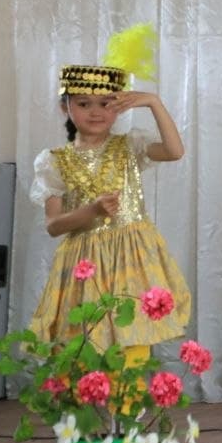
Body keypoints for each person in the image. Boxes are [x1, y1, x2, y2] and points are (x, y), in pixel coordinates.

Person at [30, 24, 190, 362]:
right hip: (83, 262)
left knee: (131, 342)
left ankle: (125, 412)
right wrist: (90, 212)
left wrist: (152, 102)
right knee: (85, 345)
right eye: (84, 103)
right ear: (66, 107)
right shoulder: (53, 160)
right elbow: (53, 225)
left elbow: (175, 151)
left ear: (119, 106)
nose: (96, 112)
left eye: (105, 103)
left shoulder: (130, 146)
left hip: (131, 258)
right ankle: (87, 412)